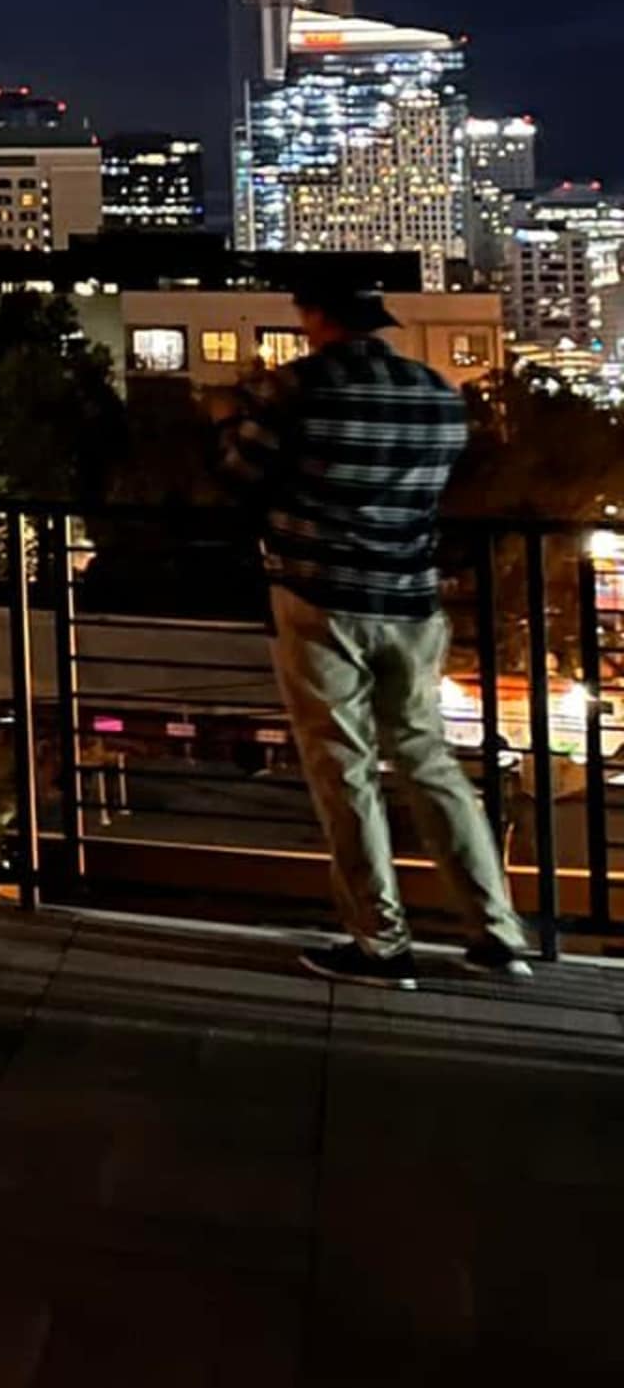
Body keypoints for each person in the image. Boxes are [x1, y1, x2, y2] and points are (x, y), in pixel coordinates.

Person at [219, 280, 531, 984]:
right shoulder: (436, 393)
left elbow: (240, 475)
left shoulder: (293, 389)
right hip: (412, 599)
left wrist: (227, 422)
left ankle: (380, 941)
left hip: (318, 593)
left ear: (317, 317)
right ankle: (497, 932)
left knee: (344, 767)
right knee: (431, 762)